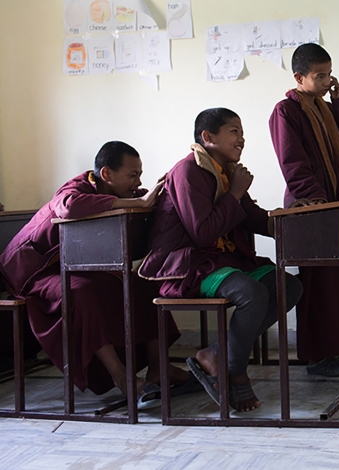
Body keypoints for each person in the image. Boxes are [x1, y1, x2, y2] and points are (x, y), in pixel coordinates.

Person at [0, 141, 197, 406]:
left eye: (139, 174)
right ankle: (121, 377)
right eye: (132, 175)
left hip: (73, 265)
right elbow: (68, 207)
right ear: (107, 174)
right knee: (82, 292)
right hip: (32, 271)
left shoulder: (121, 191)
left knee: (143, 281)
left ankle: (159, 367)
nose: (137, 181)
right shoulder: (76, 189)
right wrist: (137, 201)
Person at [139, 108, 303, 412]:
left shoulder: (225, 169)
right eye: (234, 132)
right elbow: (203, 233)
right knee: (251, 294)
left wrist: (287, 225)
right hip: (185, 265)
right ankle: (236, 373)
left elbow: (251, 216)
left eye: (242, 132)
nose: (242, 139)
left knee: (288, 286)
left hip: (218, 259)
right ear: (208, 137)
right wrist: (237, 192)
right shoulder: (188, 171)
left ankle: (216, 353)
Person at [269, 43, 339, 377]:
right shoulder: (287, 111)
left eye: (329, 74)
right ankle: (316, 357)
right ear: (299, 77)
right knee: (317, 285)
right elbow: (293, 163)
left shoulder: (325, 107)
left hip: (336, 203)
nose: (328, 81)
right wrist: (318, 204)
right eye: (320, 76)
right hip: (311, 208)